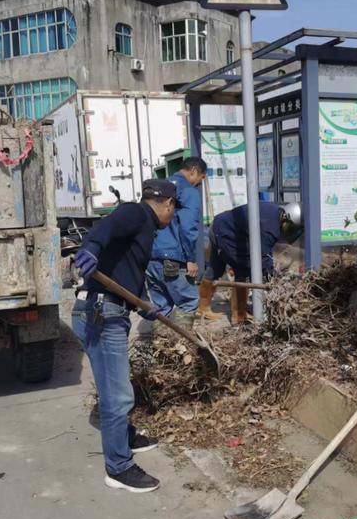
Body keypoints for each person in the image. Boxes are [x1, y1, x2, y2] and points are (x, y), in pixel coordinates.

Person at [72, 179, 177, 494]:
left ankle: (124, 436)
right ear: (168, 203)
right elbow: (105, 229)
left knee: (114, 388)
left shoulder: (144, 227)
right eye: (174, 209)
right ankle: (118, 467)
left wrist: (143, 304)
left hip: (109, 310)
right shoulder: (135, 213)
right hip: (101, 314)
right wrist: (90, 248)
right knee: (117, 395)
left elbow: (126, 272)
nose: (173, 215)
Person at [199, 201, 302, 324]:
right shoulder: (270, 228)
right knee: (243, 270)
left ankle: (203, 308)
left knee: (215, 268)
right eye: (290, 227)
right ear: (285, 218)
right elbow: (264, 259)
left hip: (221, 226)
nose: (290, 231)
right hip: (225, 232)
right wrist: (274, 281)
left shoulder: (275, 214)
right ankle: (238, 315)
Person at [146, 157, 207, 330]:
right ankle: (181, 342)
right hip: (173, 256)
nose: (199, 184)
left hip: (151, 257)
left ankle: (159, 342)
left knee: (161, 305)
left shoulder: (159, 188)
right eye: (201, 178)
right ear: (193, 171)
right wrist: (191, 259)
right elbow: (188, 227)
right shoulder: (188, 191)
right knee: (189, 301)